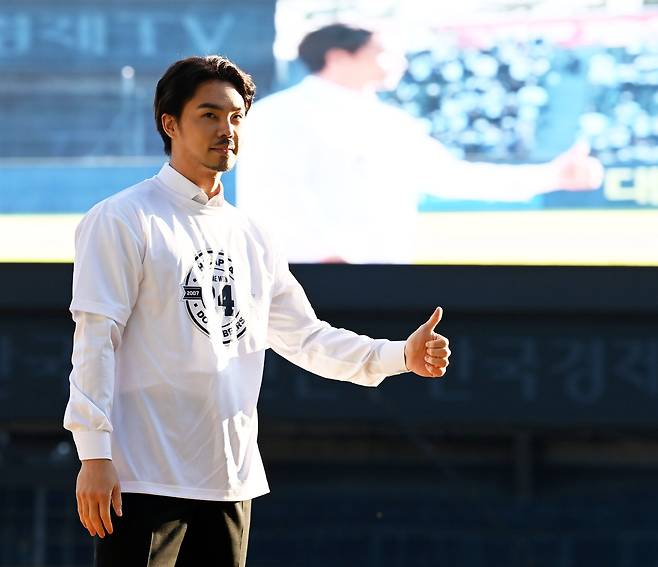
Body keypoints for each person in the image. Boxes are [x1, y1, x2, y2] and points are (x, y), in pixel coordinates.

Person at [63, 55, 451, 566]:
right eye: (210, 115)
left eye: (237, 117)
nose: (227, 129)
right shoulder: (122, 218)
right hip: (140, 479)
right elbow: (96, 339)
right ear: (170, 123)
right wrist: (94, 456)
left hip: (230, 482)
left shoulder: (253, 236)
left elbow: (309, 339)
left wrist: (401, 355)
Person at [236, 23, 605, 264]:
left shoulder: (394, 125)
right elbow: (271, 199)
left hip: (385, 283)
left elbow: (453, 177)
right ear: (337, 57)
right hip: (301, 284)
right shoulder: (278, 116)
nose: (397, 63)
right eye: (381, 52)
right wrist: (322, 256)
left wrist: (552, 176)